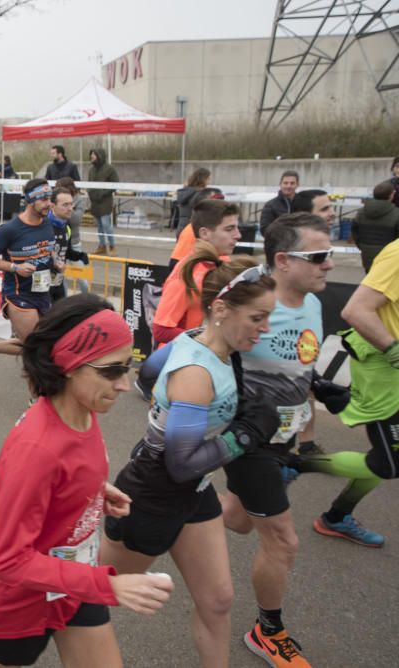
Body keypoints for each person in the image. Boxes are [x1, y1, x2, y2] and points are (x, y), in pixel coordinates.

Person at [0, 296, 174, 668]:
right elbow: (9, 561)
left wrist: (94, 494)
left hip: (75, 582)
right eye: (111, 371)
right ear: (69, 366)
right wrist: (110, 585)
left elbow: (68, 471)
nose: (125, 385)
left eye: (128, 367)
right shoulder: (36, 448)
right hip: (22, 603)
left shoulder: (83, 409)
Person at [101, 251, 279, 668]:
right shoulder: (196, 373)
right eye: (257, 318)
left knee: (217, 601)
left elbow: (148, 374)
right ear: (221, 309)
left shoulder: (196, 337)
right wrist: (244, 435)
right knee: (88, 597)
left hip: (193, 491)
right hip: (153, 493)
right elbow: (180, 464)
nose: (265, 328)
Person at [219, 213, 335, 668]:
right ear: (283, 260)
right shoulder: (248, 299)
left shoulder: (311, 301)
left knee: (239, 517)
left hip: (284, 436)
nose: (329, 265)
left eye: (331, 254)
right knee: (282, 540)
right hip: (249, 439)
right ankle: (267, 631)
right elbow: (204, 347)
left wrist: (318, 387)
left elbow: (301, 357)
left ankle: (182, 512)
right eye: (319, 256)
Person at [281, 235, 399, 550]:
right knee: (390, 461)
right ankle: (292, 464)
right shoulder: (398, 253)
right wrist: (395, 351)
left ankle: (337, 516)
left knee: (387, 452)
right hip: (386, 370)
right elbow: (356, 311)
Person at [0, 179, 60, 372]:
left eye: (50, 198)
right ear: (31, 200)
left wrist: (55, 261)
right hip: (19, 294)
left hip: (42, 292)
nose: (49, 203)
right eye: (45, 199)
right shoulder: (10, 229)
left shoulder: (47, 224)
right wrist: (15, 268)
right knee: (36, 350)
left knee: (42, 345)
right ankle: (36, 398)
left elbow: (47, 249)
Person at [152, 200, 243, 346]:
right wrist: (207, 338)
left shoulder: (223, 261)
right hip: (183, 360)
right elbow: (161, 330)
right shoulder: (186, 275)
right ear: (205, 233)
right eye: (229, 229)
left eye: (237, 228)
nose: (238, 235)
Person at [47, 187, 90, 302]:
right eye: (65, 205)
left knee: (60, 314)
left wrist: (79, 256)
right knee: (44, 316)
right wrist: (53, 262)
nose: (70, 209)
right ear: (52, 206)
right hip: (41, 280)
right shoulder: (43, 226)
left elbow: (66, 251)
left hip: (58, 279)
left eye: (71, 204)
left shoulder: (67, 227)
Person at [351, 180, 399, 272]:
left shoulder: (361, 212)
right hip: (389, 256)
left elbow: (355, 232)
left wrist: (362, 246)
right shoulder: (396, 213)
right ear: (391, 195)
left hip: (367, 254)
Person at [87, 149, 119, 256]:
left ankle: (112, 245)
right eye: (91, 155)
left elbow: (115, 184)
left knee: (106, 224)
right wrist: (90, 193)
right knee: (99, 225)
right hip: (94, 201)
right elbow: (89, 184)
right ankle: (102, 246)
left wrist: (103, 193)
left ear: (99, 156)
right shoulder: (91, 170)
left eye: (94, 155)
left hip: (105, 201)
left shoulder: (109, 169)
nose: (92, 156)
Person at [259, 171, 299, 235]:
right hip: (279, 244)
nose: (289, 186)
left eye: (292, 183)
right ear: (280, 184)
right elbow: (264, 229)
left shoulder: (303, 204)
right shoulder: (270, 205)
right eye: (285, 183)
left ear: (297, 185)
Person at [174, 168, 212, 234]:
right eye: (208, 178)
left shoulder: (185, 191)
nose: (210, 181)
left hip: (182, 229)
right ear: (203, 179)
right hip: (194, 230)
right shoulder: (200, 194)